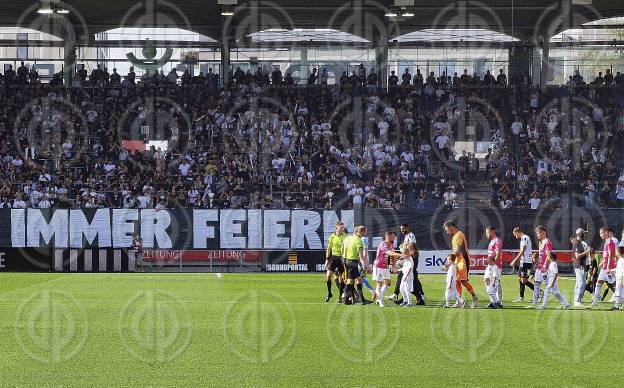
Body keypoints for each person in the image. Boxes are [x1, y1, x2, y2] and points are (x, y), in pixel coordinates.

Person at [443, 221, 478, 308]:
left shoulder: (459, 234)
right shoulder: (454, 236)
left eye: (447, 230)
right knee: (456, 281)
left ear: (451, 227)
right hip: (457, 261)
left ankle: (474, 297)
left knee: (463, 281)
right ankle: (459, 301)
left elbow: (457, 251)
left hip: (463, 260)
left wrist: (448, 263)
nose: (447, 232)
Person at [341, 225, 371, 305]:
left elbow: (342, 250)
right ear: (360, 232)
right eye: (363, 233)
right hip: (352, 262)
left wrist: (344, 260)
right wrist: (366, 266)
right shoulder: (359, 241)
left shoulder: (347, 238)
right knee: (350, 281)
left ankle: (362, 300)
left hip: (345, 260)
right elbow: (361, 256)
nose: (364, 234)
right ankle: (346, 299)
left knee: (359, 280)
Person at [589, 227, 617, 309]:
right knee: (598, 283)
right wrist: (602, 263)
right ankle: (594, 303)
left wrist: (608, 267)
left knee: (615, 286)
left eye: (601, 233)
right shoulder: (607, 241)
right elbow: (606, 255)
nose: (600, 235)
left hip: (609, 268)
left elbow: (611, 255)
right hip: (605, 267)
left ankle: (618, 304)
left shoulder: (609, 241)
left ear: (606, 232)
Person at [373, 231, 403, 307]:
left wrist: (393, 266)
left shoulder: (392, 244)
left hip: (385, 266)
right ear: (388, 236)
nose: (394, 238)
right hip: (378, 266)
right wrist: (401, 254)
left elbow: (392, 256)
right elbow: (390, 253)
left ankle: (379, 299)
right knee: (379, 283)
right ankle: (380, 301)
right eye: (393, 236)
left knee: (388, 283)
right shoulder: (383, 244)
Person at [528, 225, 552, 308]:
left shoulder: (547, 242)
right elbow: (542, 255)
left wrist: (545, 266)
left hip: (545, 269)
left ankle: (564, 303)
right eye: (537, 234)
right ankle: (534, 303)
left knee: (550, 288)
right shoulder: (541, 242)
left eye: (538, 233)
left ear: (543, 232)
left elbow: (548, 256)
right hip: (539, 268)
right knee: (536, 284)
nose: (537, 235)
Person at [510, 227, 534, 303]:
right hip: (523, 261)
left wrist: (514, 260)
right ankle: (521, 297)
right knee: (520, 279)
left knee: (523, 280)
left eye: (515, 234)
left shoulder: (524, 238)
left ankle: (539, 292)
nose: (515, 236)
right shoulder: (524, 238)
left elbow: (523, 251)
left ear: (517, 232)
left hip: (526, 262)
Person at [324, 222, 347, 303]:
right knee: (328, 276)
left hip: (341, 258)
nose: (342, 229)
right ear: (336, 228)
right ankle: (329, 293)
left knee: (341, 279)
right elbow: (328, 248)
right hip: (333, 258)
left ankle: (340, 297)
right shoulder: (332, 236)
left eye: (342, 228)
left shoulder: (345, 237)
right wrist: (327, 259)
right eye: (340, 227)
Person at [571, 229, 591, 307]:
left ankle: (576, 300)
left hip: (579, 265)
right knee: (582, 283)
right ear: (580, 234)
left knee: (578, 283)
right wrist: (587, 251)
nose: (585, 235)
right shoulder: (577, 243)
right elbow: (577, 255)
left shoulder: (578, 243)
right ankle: (577, 300)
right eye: (583, 234)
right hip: (579, 266)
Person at [486, 226, 503, 306]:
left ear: (492, 231)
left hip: (496, 266)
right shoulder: (492, 241)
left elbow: (498, 254)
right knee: (489, 283)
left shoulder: (497, 241)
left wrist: (494, 265)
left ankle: (499, 302)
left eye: (487, 232)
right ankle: (493, 302)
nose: (486, 235)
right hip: (491, 266)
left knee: (497, 284)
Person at [613, 246, 624, 310]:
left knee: (620, 292)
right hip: (618, 278)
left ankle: (617, 306)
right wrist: (611, 270)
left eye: (616, 251)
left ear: (619, 252)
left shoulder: (623, 260)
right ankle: (618, 305)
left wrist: (623, 280)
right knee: (618, 291)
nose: (615, 253)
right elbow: (617, 269)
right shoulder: (619, 260)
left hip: (621, 279)